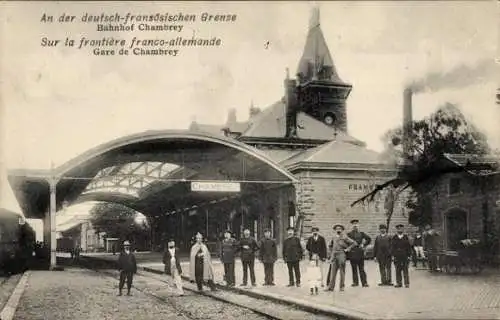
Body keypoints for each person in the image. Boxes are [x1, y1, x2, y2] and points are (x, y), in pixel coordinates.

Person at [326, 224, 356, 292]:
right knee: (333, 272)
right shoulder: (333, 237)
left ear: (342, 230)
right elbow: (330, 245)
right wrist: (331, 253)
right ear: (335, 230)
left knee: (342, 271)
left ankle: (342, 286)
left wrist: (348, 249)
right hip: (334, 255)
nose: (338, 230)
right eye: (337, 229)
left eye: (340, 228)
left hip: (341, 254)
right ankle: (331, 287)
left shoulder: (344, 237)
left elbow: (354, 243)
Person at [346, 219, 371, 287]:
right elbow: (346, 242)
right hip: (352, 254)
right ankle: (355, 282)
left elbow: (369, 239)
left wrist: (364, 245)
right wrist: (349, 249)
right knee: (354, 269)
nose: (355, 225)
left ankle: (364, 282)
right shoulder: (349, 234)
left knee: (361, 269)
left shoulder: (362, 233)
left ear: (358, 225)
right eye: (353, 224)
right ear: (351, 226)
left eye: (356, 224)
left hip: (360, 253)